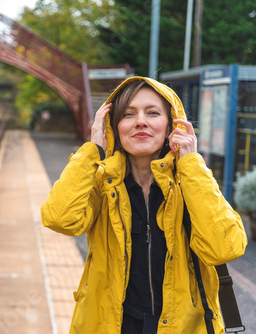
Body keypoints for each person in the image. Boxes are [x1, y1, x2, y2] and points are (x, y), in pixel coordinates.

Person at [41, 76, 247, 333]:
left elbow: (224, 248)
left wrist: (192, 164)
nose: (141, 121)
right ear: (113, 127)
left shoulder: (190, 182)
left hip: (184, 325)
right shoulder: (102, 184)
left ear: (172, 124)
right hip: (113, 324)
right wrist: (92, 150)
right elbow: (59, 218)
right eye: (128, 114)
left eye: (152, 112)